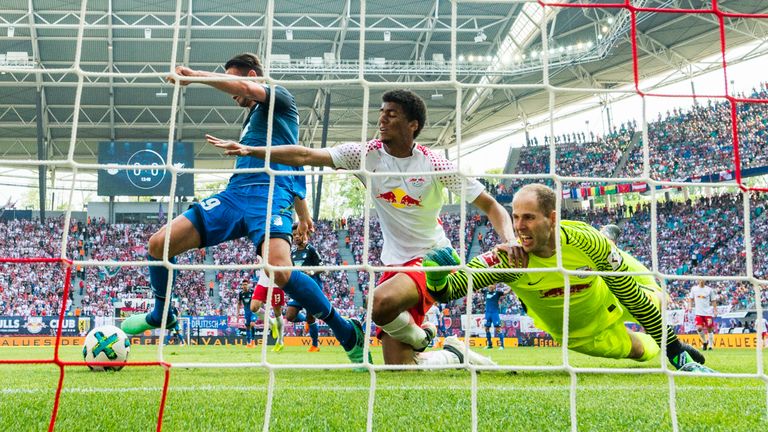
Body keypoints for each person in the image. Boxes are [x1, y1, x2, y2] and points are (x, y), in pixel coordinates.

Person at [209, 89, 517, 366]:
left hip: (433, 257)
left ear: (413, 125)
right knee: (401, 367)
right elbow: (305, 154)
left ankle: (422, 337)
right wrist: (252, 150)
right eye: (381, 112)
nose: (382, 119)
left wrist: (510, 239)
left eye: (391, 114)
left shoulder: (435, 164)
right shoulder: (364, 155)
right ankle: (453, 354)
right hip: (394, 263)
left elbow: (491, 205)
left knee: (378, 302)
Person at [121, 53, 367, 364]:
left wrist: (194, 75)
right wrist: (304, 212)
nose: (233, 93)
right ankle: (161, 313)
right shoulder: (255, 119)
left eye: (234, 81)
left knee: (280, 271)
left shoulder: (280, 97)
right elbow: (292, 161)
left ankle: (346, 332)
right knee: (159, 244)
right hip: (235, 194)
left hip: (269, 195)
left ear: (252, 75)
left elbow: (289, 150)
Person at [422, 183, 714, 372]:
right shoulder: (508, 260)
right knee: (639, 352)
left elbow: (632, 298)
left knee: (654, 299)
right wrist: (436, 274)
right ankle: (609, 241)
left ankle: (608, 240)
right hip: (579, 332)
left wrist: (676, 353)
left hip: (606, 289)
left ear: (551, 218)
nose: (519, 226)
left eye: (528, 217)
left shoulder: (585, 243)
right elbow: (448, 291)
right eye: (515, 217)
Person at [284, 223, 322, 352]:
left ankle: (315, 345)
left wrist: (311, 272)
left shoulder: (311, 250)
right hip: (297, 288)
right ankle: (306, 320)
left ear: (304, 235)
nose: (296, 237)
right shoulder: (292, 253)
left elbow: (322, 267)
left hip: (311, 288)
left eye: (299, 234)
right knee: (289, 316)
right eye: (294, 235)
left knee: (311, 317)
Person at [250, 271, 285, 351]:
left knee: (277, 313)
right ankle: (272, 322)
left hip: (276, 284)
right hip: (262, 283)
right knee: (254, 307)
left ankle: (280, 341)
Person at [688, 280, 717, 350]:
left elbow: (713, 300)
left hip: (708, 313)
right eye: (700, 280)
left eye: (702, 280)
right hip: (698, 313)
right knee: (699, 328)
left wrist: (715, 310)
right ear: (698, 280)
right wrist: (690, 306)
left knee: (709, 329)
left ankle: (710, 346)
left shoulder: (709, 290)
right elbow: (691, 299)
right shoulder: (694, 289)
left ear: (704, 280)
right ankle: (705, 342)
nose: (701, 281)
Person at [483, 284, 509, 350]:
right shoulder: (486, 291)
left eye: (491, 286)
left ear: (494, 287)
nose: (490, 286)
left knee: (498, 328)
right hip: (487, 313)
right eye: (489, 286)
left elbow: (506, 292)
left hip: (494, 313)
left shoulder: (497, 293)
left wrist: (512, 288)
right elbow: (476, 289)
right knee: (486, 328)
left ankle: (502, 346)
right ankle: (490, 345)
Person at [237, 279, 258, 347]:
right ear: (242, 286)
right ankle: (248, 343)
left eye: (246, 284)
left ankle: (253, 341)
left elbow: (257, 299)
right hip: (246, 312)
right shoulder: (241, 293)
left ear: (248, 285)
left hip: (253, 311)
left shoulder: (252, 292)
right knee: (248, 327)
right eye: (243, 285)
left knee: (252, 324)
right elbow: (239, 303)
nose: (244, 286)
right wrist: (238, 312)